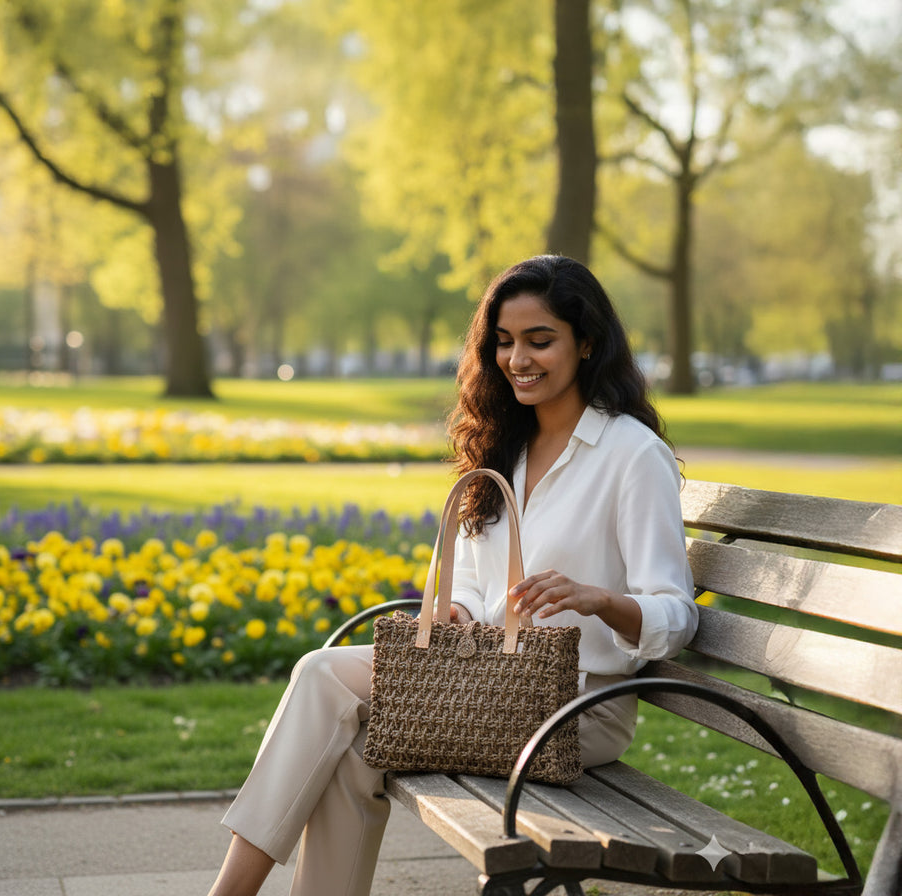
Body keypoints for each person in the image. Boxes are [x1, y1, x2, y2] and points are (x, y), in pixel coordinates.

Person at [207, 255, 698, 896]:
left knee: (322, 674)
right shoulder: (504, 445)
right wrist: (459, 609)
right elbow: (468, 577)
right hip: (479, 679)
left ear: (586, 343)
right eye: (504, 341)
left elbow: (676, 613)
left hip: (575, 710)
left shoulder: (631, 455)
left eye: (539, 340)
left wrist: (600, 600)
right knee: (353, 748)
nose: (517, 359)